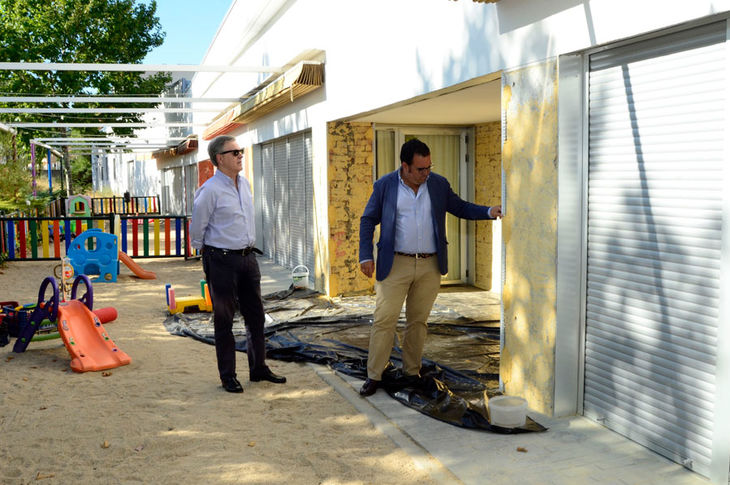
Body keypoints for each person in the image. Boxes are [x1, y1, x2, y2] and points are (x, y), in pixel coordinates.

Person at [358, 138, 502, 396]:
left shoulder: (437, 184)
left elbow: (460, 207)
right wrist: (365, 255)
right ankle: (374, 376)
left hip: (430, 265)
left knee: (418, 322)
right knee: (384, 320)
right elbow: (368, 219)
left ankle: (411, 372)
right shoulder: (385, 186)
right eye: (421, 169)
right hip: (395, 264)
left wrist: (489, 211)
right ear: (405, 166)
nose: (426, 173)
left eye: (429, 167)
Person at [190, 135, 286, 393]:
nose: (240, 155)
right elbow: (197, 227)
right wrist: (208, 254)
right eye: (234, 152)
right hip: (221, 260)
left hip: (248, 258)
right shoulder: (210, 190)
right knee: (224, 319)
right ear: (219, 159)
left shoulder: (244, 184)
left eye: (241, 151)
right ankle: (228, 376)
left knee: (256, 317)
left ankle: (258, 369)